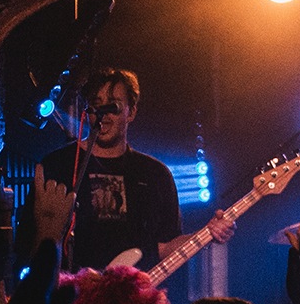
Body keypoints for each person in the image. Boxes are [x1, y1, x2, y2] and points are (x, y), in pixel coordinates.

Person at [27, 68, 231, 273]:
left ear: (131, 112)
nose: (104, 114)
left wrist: (207, 232)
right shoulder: (57, 165)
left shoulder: (155, 174)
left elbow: (167, 246)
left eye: (113, 106)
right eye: (97, 104)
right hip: (73, 290)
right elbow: (28, 248)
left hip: (134, 291)